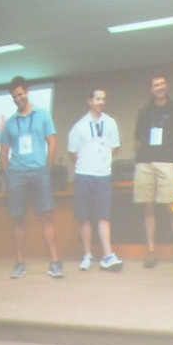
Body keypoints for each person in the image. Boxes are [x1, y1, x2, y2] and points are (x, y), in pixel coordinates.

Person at [0, 79, 63, 278]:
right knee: (18, 219)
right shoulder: (10, 123)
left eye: (20, 94)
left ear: (27, 92)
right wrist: (8, 175)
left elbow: (52, 142)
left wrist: (47, 168)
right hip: (17, 173)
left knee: (47, 216)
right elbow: (4, 152)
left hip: (39, 172)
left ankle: (54, 261)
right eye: (14, 97)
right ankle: (19, 263)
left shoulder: (43, 115)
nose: (18, 99)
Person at [130, 74, 173, 268]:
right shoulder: (145, 110)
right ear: (151, 89)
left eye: (162, 84)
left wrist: (172, 154)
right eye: (156, 85)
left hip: (166, 162)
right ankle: (151, 251)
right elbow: (137, 138)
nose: (159, 87)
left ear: (167, 85)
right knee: (148, 207)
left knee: (171, 207)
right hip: (145, 163)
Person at [65, 87, 124, 271]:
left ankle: (108, 255)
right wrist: (88, 162)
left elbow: (115, 148)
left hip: (103, 175)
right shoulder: (79, 126)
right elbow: (72, 153)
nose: (101, 102)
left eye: (103, 99)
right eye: (97, 99)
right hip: (83, 174)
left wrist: (102, 159)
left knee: (103, 216)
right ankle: (87, 255)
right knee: (84, 218)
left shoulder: (111, 123)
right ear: (90, 101)